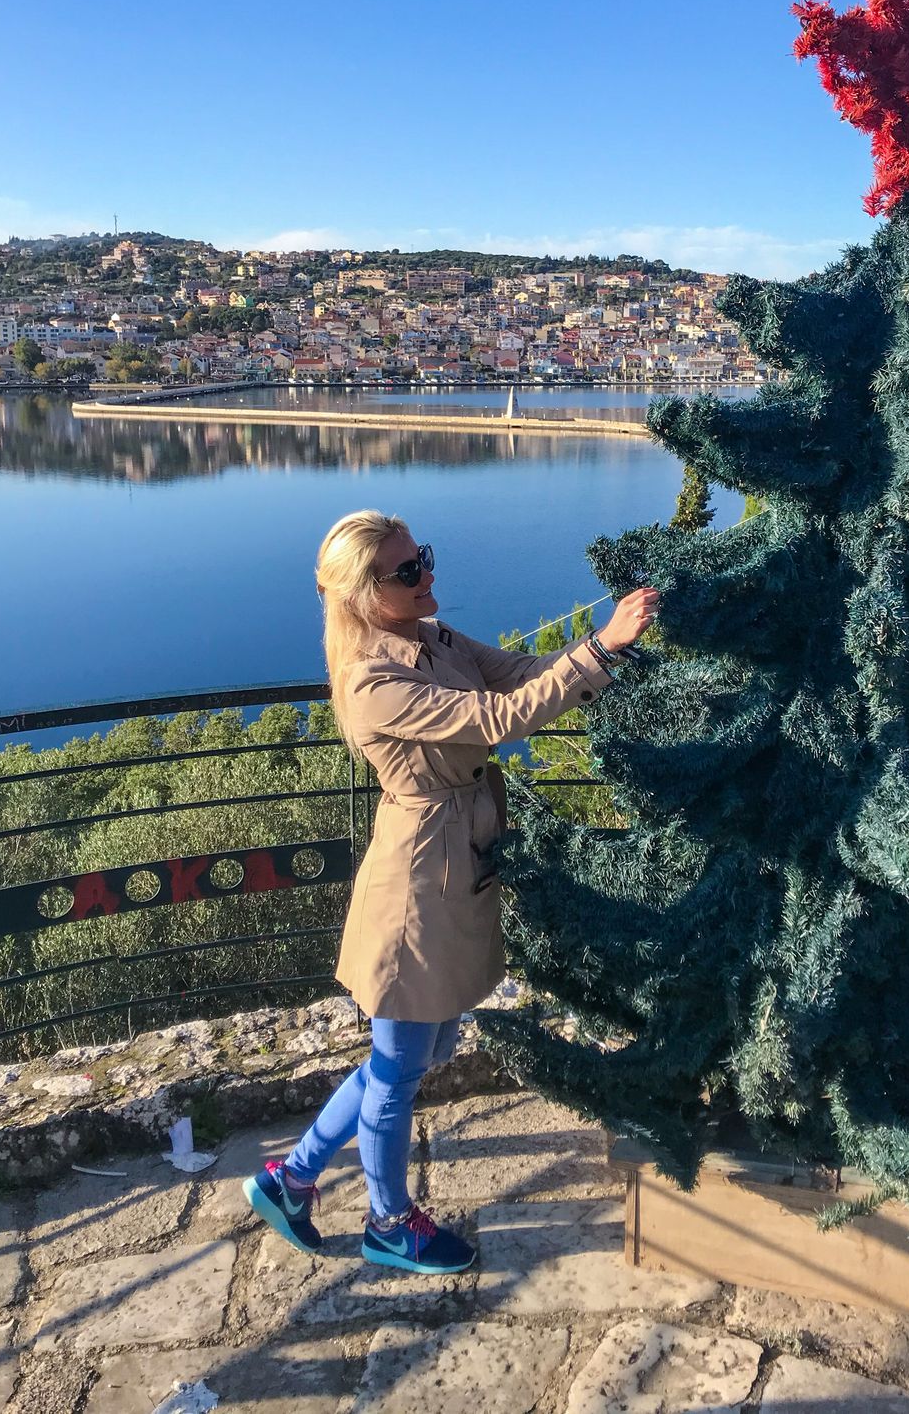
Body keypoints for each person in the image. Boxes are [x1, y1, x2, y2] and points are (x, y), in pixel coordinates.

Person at [243, 509, 659, 1274]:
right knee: (399, 1068)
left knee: (407, 1053)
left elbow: (517, 674)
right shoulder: (373, 678)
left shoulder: (430, 638)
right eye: (408, 570)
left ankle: (291, 1175)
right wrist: (601, 648)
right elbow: (494, 719)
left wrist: (598, 649)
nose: (427, 574)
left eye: (423, 557)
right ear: (368, 593)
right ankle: (387, 1222)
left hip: (451, 864)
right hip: (417, 889)